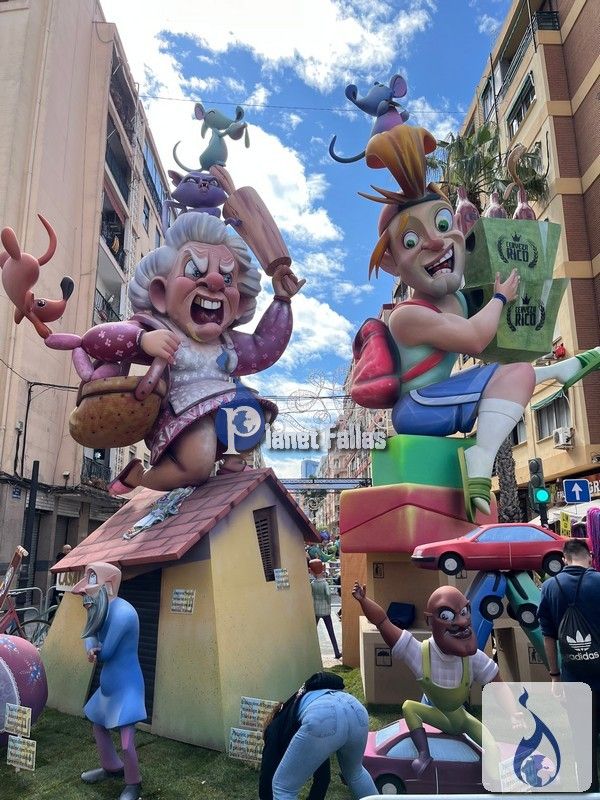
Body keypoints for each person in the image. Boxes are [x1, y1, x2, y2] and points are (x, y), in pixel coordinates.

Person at [355, 123, 600, 521]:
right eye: (412, 241)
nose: (436, 242)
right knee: (515, 374)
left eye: (442, 224)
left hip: (437, 398)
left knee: (515, 372)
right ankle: (481, 460)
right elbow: (474, 339)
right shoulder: (406, 317)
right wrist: (501, 297)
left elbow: (492, 332)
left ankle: (562, 369)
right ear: (390, 263)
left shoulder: (455, 299)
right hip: (417, 408)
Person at [352, 582, 520, 776]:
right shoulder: (419, 653)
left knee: (492, 747)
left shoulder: (473, 659)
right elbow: (383, 622)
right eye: (447, 616)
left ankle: (495, 784)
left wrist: (513, 712)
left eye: (464, 612)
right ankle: (424, 754)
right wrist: (363, 601)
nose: (462, 622)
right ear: (430, 621)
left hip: (459, 718)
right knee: (409, 707)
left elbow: (497, 684)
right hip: (432, 714)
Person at [73, 562, 146, 800]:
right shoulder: (99, 607)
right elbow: (90, 632)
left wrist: (96, 651)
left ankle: (133, 782)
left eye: (93, 580)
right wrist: (90, 647)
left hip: (127, 684)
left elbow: (108, 651)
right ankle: (112, 766)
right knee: (98, 725)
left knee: (126, 740)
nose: (87, 589)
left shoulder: (125, 614)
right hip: (108, 684)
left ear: (110, 583)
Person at [538, 538, 600, 792]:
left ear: (564, 559)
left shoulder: (550, 587)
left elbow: (548, 636)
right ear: (590, 556)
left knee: (583, 740)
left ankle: (590, 790)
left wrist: (554, 675)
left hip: (574, 679)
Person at [259, 672, 377, 800]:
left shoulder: (274, 728)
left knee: (283, 787)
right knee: (356, 774)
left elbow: (267, 773)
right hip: (355, 707)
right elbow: (323, 776)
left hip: (323, 715)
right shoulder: (293, 713)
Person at [309, 559, 341, 660]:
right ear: (322, 569)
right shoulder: (325, 583)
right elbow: (328, 594)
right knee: (331, 632)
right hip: (326, 610)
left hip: (316, 609)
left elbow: (311, 595)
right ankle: (336, 652)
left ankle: (310, 652)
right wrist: (328, 603)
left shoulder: (312, 584)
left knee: (312, 632)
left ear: (311, 571)